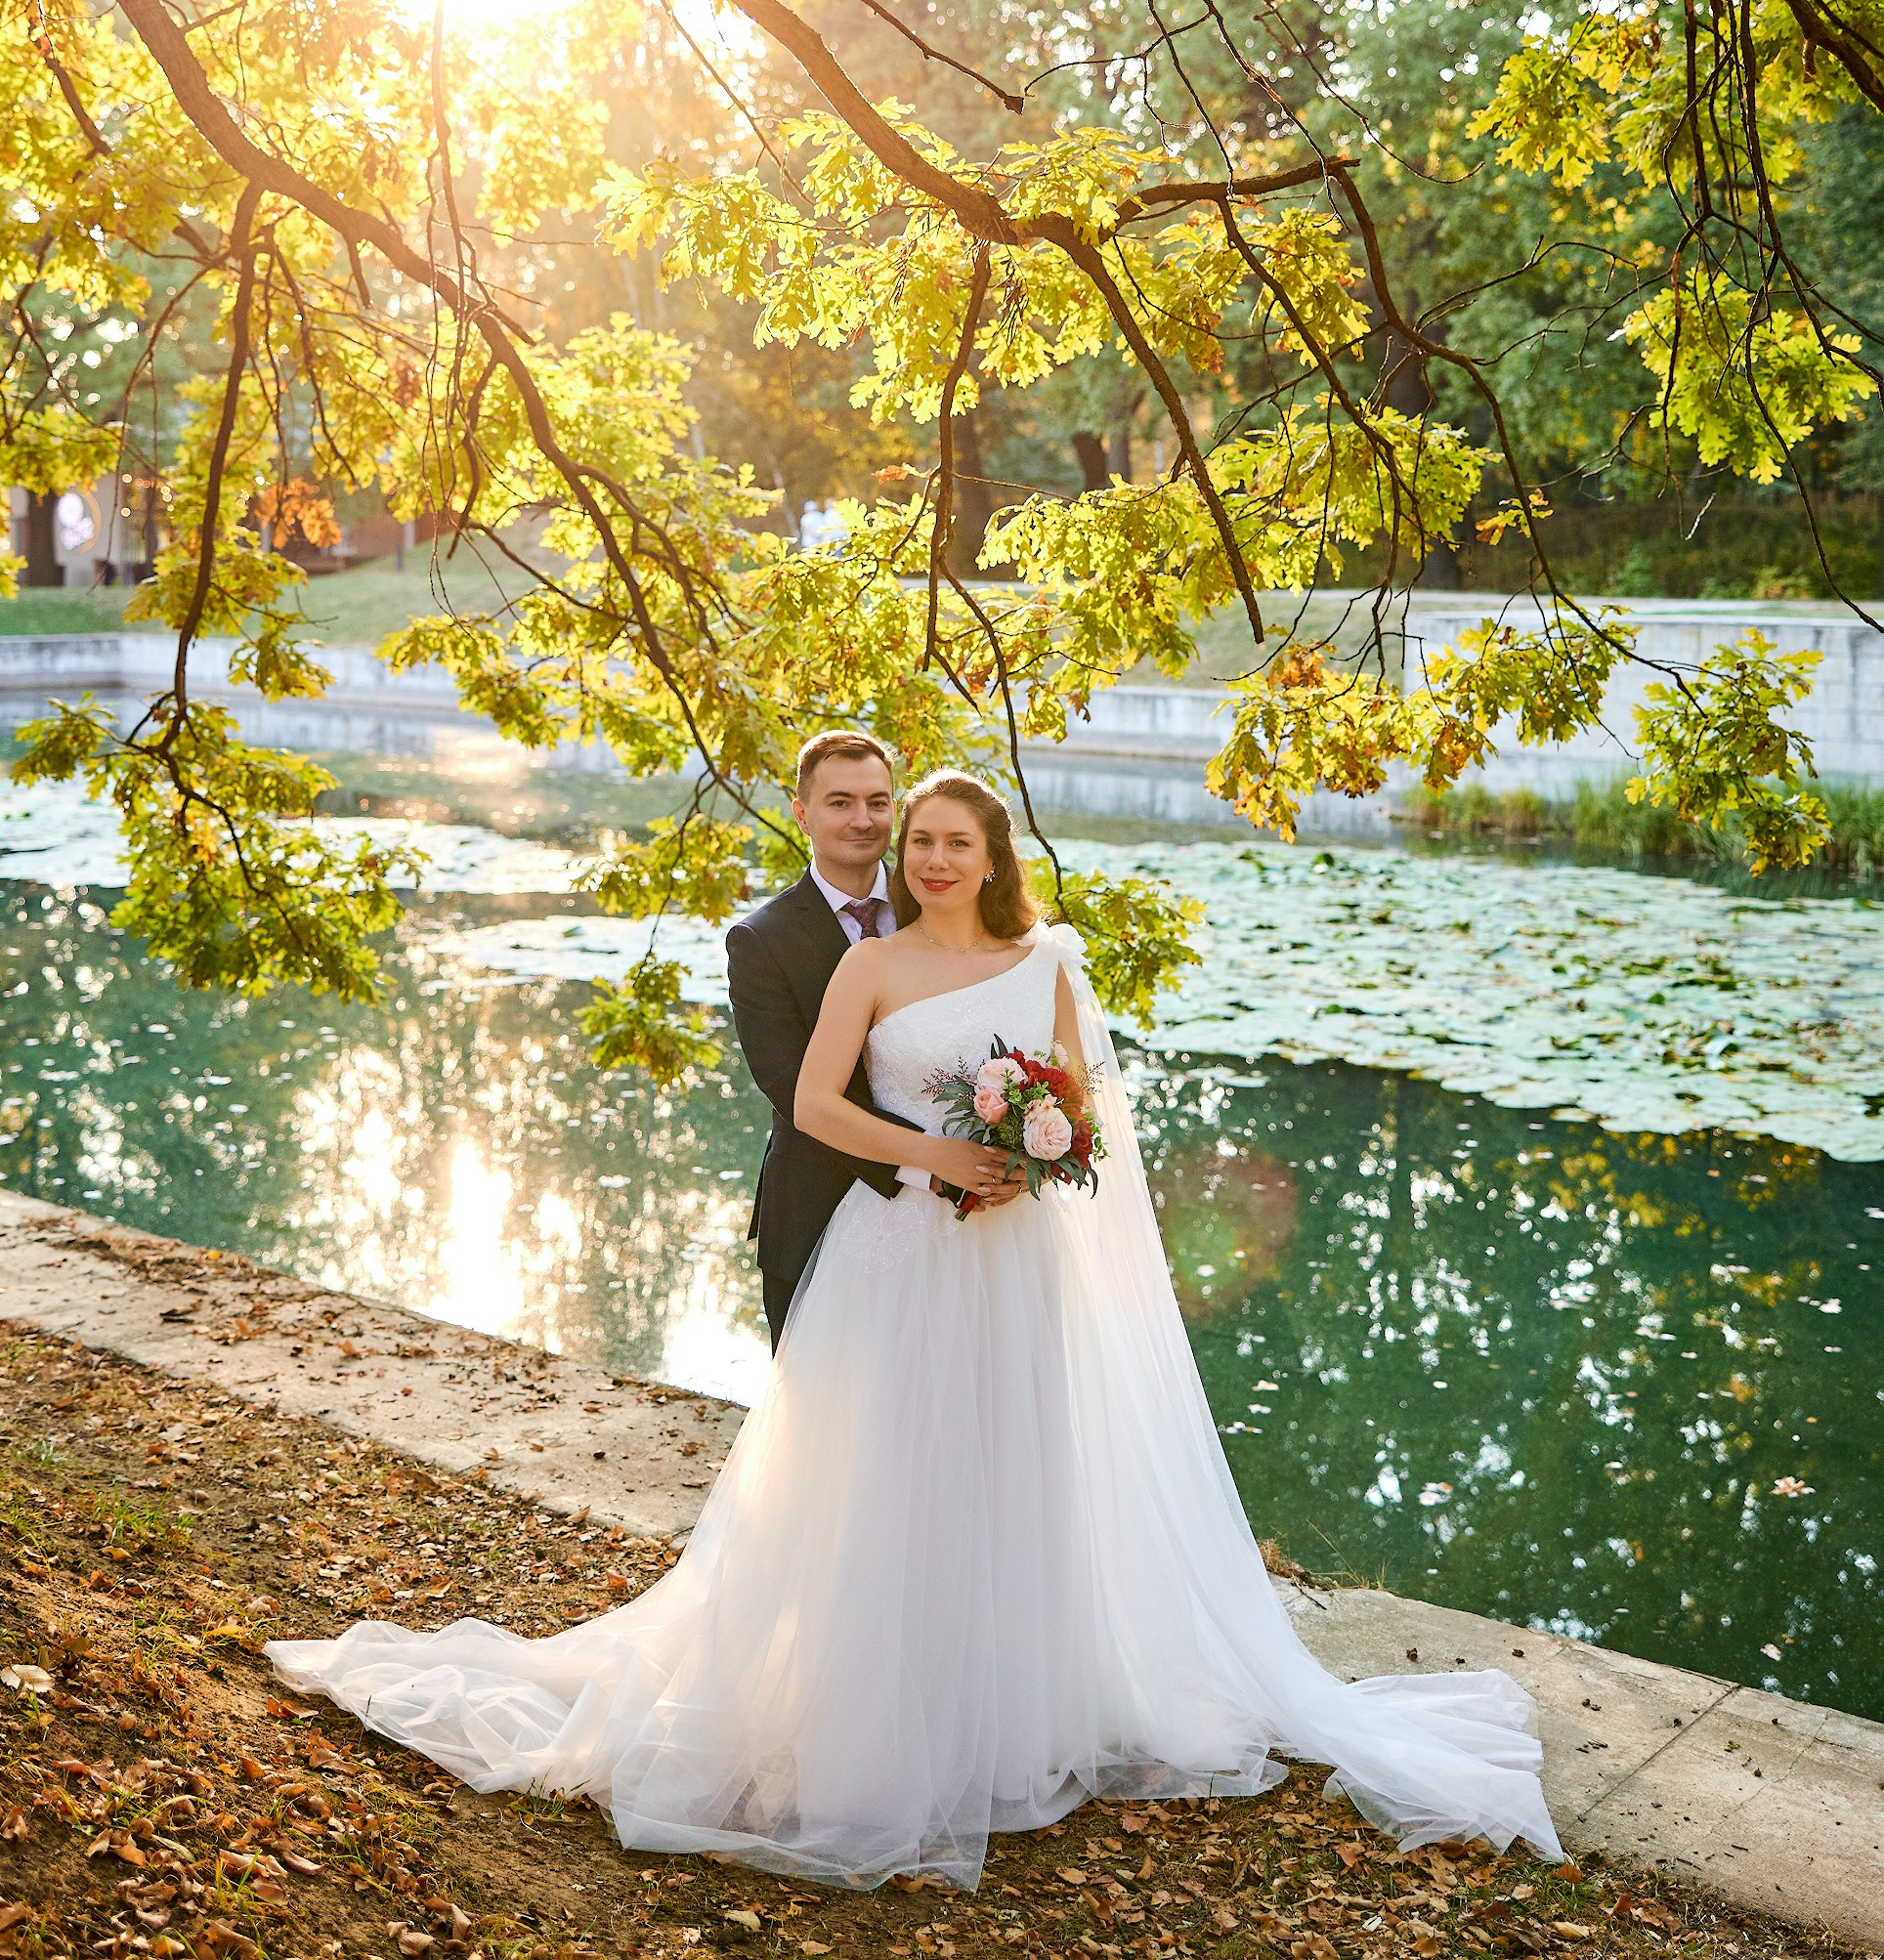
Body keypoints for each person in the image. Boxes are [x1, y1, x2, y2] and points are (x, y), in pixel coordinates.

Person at [268, 768, 1562, 1890]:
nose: (934, 855)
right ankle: (872, 1716)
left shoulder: (1049, 957)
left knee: (1011, 1472)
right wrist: (935, 1149)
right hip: (895, 1255)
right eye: (918, 838)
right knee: (880, 1478)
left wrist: (1035, 1155)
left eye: (957, 838)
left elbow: (1090, 1121)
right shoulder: (869, 964)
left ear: (994, 856)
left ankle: (1009, 1710)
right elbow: (819, 1106)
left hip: (1016, 1262)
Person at [724, 728, 1012, 1345]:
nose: (863, 819)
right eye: (840, 802)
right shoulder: (760, 942)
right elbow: (793, 1093)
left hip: (968, 1216)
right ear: (801, 813)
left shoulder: (940, 899)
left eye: (878, 802)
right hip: (819, 1208)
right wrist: (929, 1165)